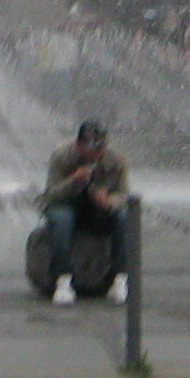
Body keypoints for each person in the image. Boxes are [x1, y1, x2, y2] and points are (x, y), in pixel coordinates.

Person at [36, 118, 131, 305]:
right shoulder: (61, 156)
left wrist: (109, 201)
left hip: (98, 209)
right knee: (61, 219)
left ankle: (120, 278)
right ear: (78, 144)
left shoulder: (117, 161)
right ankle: (62, 279)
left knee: (123, 218)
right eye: (89, 149)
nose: (93, 155)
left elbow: (124, 194)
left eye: (98, 149)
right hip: (66, 203)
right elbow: (52, 193)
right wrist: (73, 181)